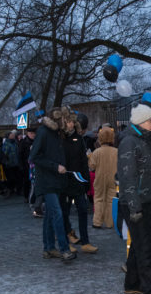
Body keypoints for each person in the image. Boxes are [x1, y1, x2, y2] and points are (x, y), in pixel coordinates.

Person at [117, 102, 151, 294]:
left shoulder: (144, 140)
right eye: (150, 121)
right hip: (134, 203)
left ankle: (132, 283)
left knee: (140, 245)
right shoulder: (130, 142)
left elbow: (149, 172)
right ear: (140, 122)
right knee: (145, 247)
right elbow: (127, 177)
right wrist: (135, 207)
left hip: (145, 200)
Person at [29, 107, 76, 262]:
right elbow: (34, 157)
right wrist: (55, 166)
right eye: (67, 120)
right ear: (59, 119)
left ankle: (48, 248)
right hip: (47, 181)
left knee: (50, 215)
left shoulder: (57, 133)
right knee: (57, 213)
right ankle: (64, 249)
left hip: (56, 181)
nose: (70, 124)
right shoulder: (43, 132)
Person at [60, 113, 98, 254]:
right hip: (64, 181)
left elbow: (83, 160)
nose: (70, 124)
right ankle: (65, 240)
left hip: (78, 181)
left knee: (82, 210)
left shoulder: (79, 138)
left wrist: (86, 180)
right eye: (68, 122)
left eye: (72, 122)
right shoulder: (59, 139)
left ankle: (85, 241)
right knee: (65, 212)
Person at [89, 126, 117, 229]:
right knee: (111, 200)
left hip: (99, 178)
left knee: (98, 199)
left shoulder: (96, 152)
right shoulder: (116, 151)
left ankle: (97, 222)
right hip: (113, 178)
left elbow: (91, 166)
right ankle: (110, 222)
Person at [2, 131, 21, 197]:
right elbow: (4, 154)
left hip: (16, 163)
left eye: (13, 135)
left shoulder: (15, 143)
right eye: (12, 135)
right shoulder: (6, 144)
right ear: (8, 136)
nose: (13, 136)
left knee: (17, 177)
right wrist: (7, 162)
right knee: (10, 178)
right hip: (9, 164)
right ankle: (10, 190)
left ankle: (16, 190)